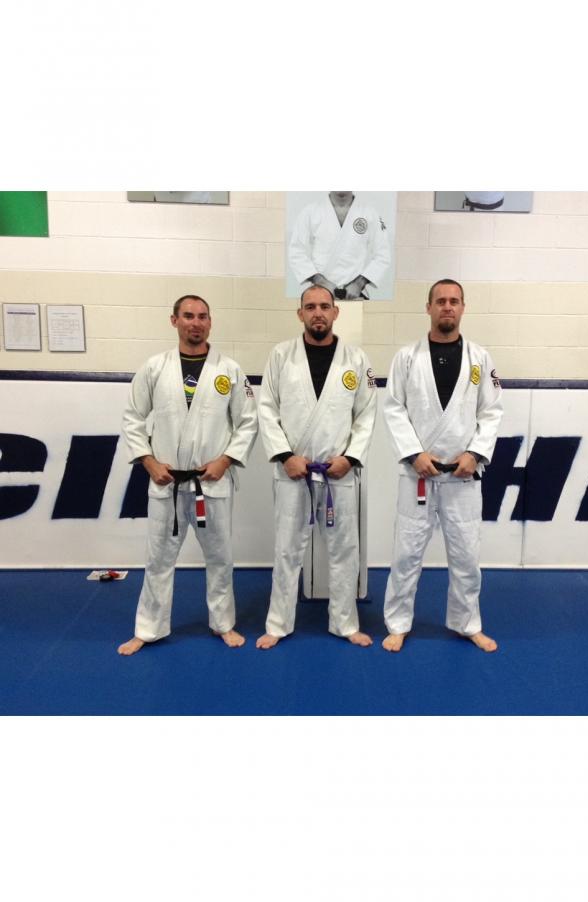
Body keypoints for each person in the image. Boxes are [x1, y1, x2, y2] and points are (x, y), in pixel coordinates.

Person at [118, 295, 258, 654]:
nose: (196, 322)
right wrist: (149, 462)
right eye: (188, 316)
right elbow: (133, 418)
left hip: (212, 481)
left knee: (220, 558)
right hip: (166, 481)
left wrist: (225, 460)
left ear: (210, 322)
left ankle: (223, 623)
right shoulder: (154, 368)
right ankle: (148, 629)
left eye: (202, 316)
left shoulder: (229, 370)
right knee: (158, 559)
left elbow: (247, 422)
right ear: (174, 320)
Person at [382, 279, 503, 652]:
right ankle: (398, 624)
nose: (447, 306)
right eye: (440, 301)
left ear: (463, 307)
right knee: (406, 554)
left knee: (467, 555)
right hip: (417, 473)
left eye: (454, 301)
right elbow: (393, 408)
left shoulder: (480, 358)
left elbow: (492, 411)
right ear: (428, 307)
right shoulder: (406, 357)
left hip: (463, 476)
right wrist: (414, 454)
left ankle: (467, 623)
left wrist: (475, 454)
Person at [256, 286, 377, 647]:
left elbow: (366, 414)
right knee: (287, 550)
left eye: (325, 306)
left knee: (344, 551)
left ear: (336, 312)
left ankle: (345, 623)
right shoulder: (281, 356)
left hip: (339, 471)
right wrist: (285, 456)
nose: (318, 312)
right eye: (310, 307)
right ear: (301, 314)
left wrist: (350, 458)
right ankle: (278, 624)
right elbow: (266, 409)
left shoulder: (356, 359)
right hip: (293, 472)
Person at [288, 191, 391, 300]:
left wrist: (359, 283)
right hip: (319, 294)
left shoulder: (370, 213)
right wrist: (320, 281)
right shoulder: (310, 212)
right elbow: (296, 251)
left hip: (356, 295)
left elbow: (383, 255)